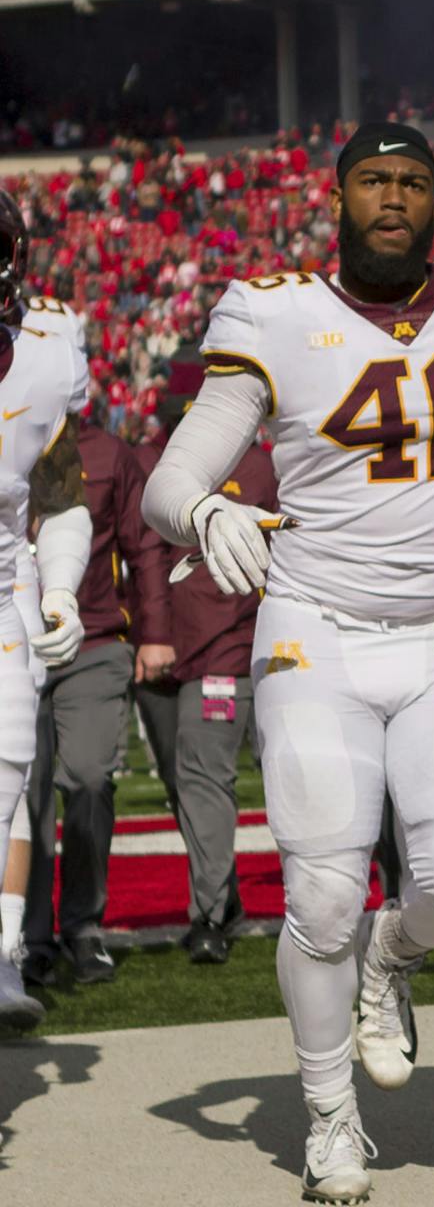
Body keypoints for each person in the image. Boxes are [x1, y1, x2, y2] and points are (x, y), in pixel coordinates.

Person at [144, 122, 434, 1206]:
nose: (393, 197)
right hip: (316, 626)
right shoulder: (275, 314)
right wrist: (203, 511)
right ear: (337, 197)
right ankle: (331, 1116)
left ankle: (393, 957)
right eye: (373, 179)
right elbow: (170, 479)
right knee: (323, 894)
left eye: (413, 181)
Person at [21, 409, 174, 987]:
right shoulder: (10, 434)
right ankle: (29, 934)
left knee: (88, 776)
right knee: (25, 791)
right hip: (14, 643)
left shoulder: (109, 453)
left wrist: (155, 632)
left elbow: (144, 546)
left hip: (96, 638)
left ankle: (83, 925)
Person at [137, 358, 278, 966]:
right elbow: (141, 555)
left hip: (223, 648)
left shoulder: (260, 466)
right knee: (183, 782)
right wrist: (149, 635)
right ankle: (225, 898)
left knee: (204, 779)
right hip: (155, 654)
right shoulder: (150, 465)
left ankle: (210, 914)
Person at [0, 200, 94, 1032]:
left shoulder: (44, 353)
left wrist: (60, 587)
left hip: (4, 600)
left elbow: (62, 499)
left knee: (5, 784)